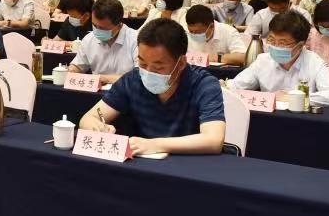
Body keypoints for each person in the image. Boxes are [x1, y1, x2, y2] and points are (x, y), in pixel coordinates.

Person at [77, 19, 225, 155]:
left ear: (181, 63)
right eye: (142, 63)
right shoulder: (132, 80)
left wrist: (154, 144)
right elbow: (88, 118)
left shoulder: (203, 84)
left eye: (158, 67)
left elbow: (214, 140)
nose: (148, 72)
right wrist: (98, 128)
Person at [230, 11, 329, 106]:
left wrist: (291, 97)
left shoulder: (314, 63)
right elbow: (235, 86)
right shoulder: (263, 60)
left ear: (300, 45)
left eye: (283, 43)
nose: (275, 46)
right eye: (272, 40)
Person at [70, 0, 139, 83]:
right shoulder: (89, 39)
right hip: (96, 89)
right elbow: (78, 65)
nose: (97, 31)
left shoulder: (136, 40)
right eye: (94, 25)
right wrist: (71, 70)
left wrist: (103, 79)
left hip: (125, 90)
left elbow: (139, 76)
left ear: (119, 25)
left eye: (102, 28)